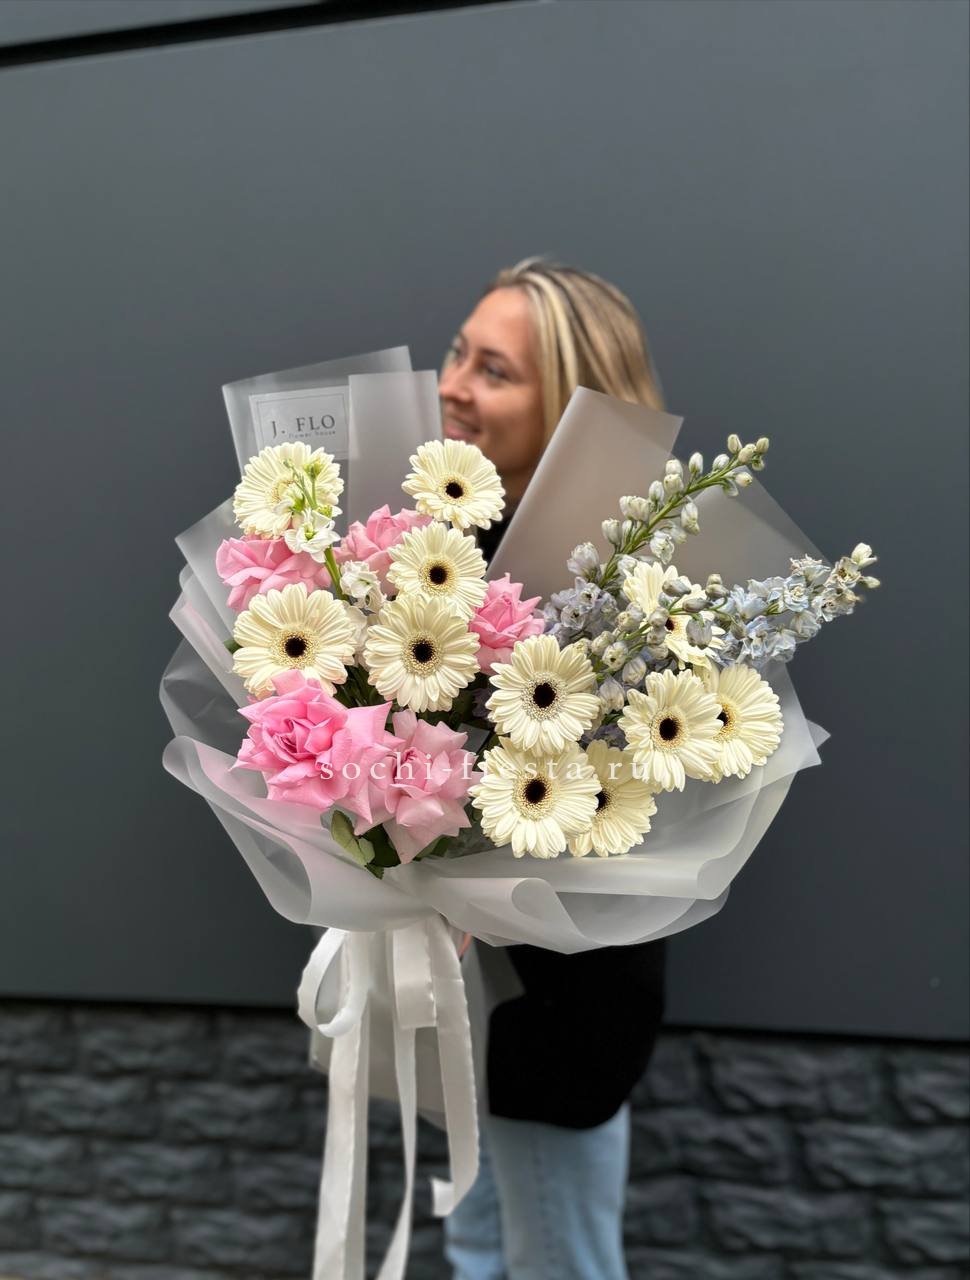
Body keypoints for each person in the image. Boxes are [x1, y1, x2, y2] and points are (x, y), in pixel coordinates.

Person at [438, 258, 668, 1280]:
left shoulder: (621, 593)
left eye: (493, 370)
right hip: (464, 1001)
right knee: (479, 1244)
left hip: (557, 1009)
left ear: (571, 403)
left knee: (558, 1256)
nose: (452, 385)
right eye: (457, 353)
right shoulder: (446, 543)